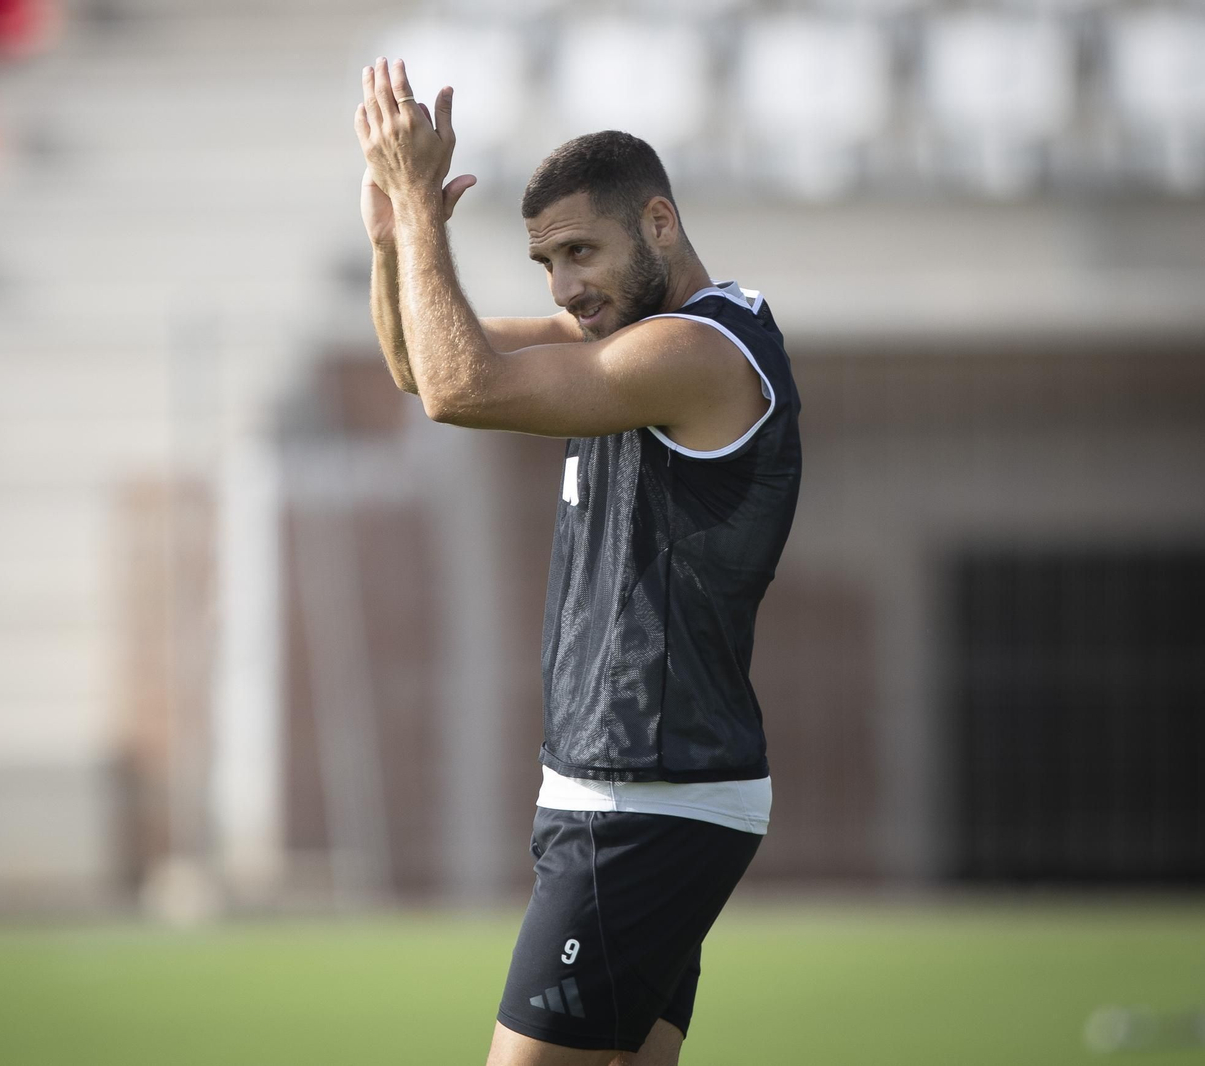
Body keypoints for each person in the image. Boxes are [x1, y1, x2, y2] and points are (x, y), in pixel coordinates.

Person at [355, 58, 801, 1065]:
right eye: (544, 264)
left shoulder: (696, 351)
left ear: (657, 223)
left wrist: (429, 217)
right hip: (628, 792)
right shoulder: (623, 338)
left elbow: (457, 392)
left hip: (646, 797)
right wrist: (393, 239)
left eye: (579, 253)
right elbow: (414, 364)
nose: (563, 288)